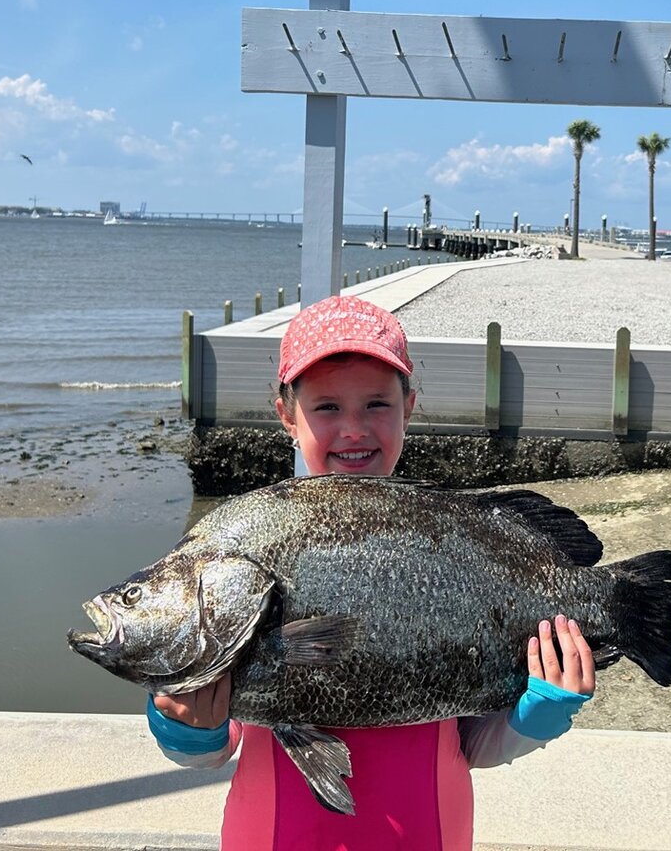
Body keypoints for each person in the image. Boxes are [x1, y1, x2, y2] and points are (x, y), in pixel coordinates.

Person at [148, 294, 595, 850]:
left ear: (409, 406)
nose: (354, 429)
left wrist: (540, 714)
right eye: (327, 407)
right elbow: (216, 750)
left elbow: (473, 747)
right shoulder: (246, 539)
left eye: (377, 405)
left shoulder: (448, 530)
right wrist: (185, 725)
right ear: (287, 413)